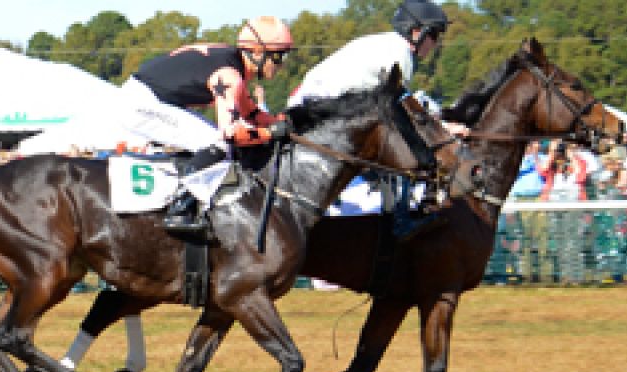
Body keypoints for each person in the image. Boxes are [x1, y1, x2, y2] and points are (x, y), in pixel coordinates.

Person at [288, 0, 465, 240]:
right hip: (320, 109)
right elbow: (403, 114)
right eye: (433, 35)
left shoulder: (390, 45)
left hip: (318, 104)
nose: (435, 43)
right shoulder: (400, 54)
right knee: (398, 148)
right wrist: (440, 134)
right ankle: (400, 220)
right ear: (416, 32)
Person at [115, 16, 292, 232]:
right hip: (139, 103)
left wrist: (280, 122)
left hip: (150, 97)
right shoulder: (230, 76)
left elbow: (250, 112)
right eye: (278, 56)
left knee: (214, 142)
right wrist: (269, 133)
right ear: (256, 52)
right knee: (217, 143)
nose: (282, 64)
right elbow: (231, 134)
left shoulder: (233, 65)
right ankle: (180, 207)